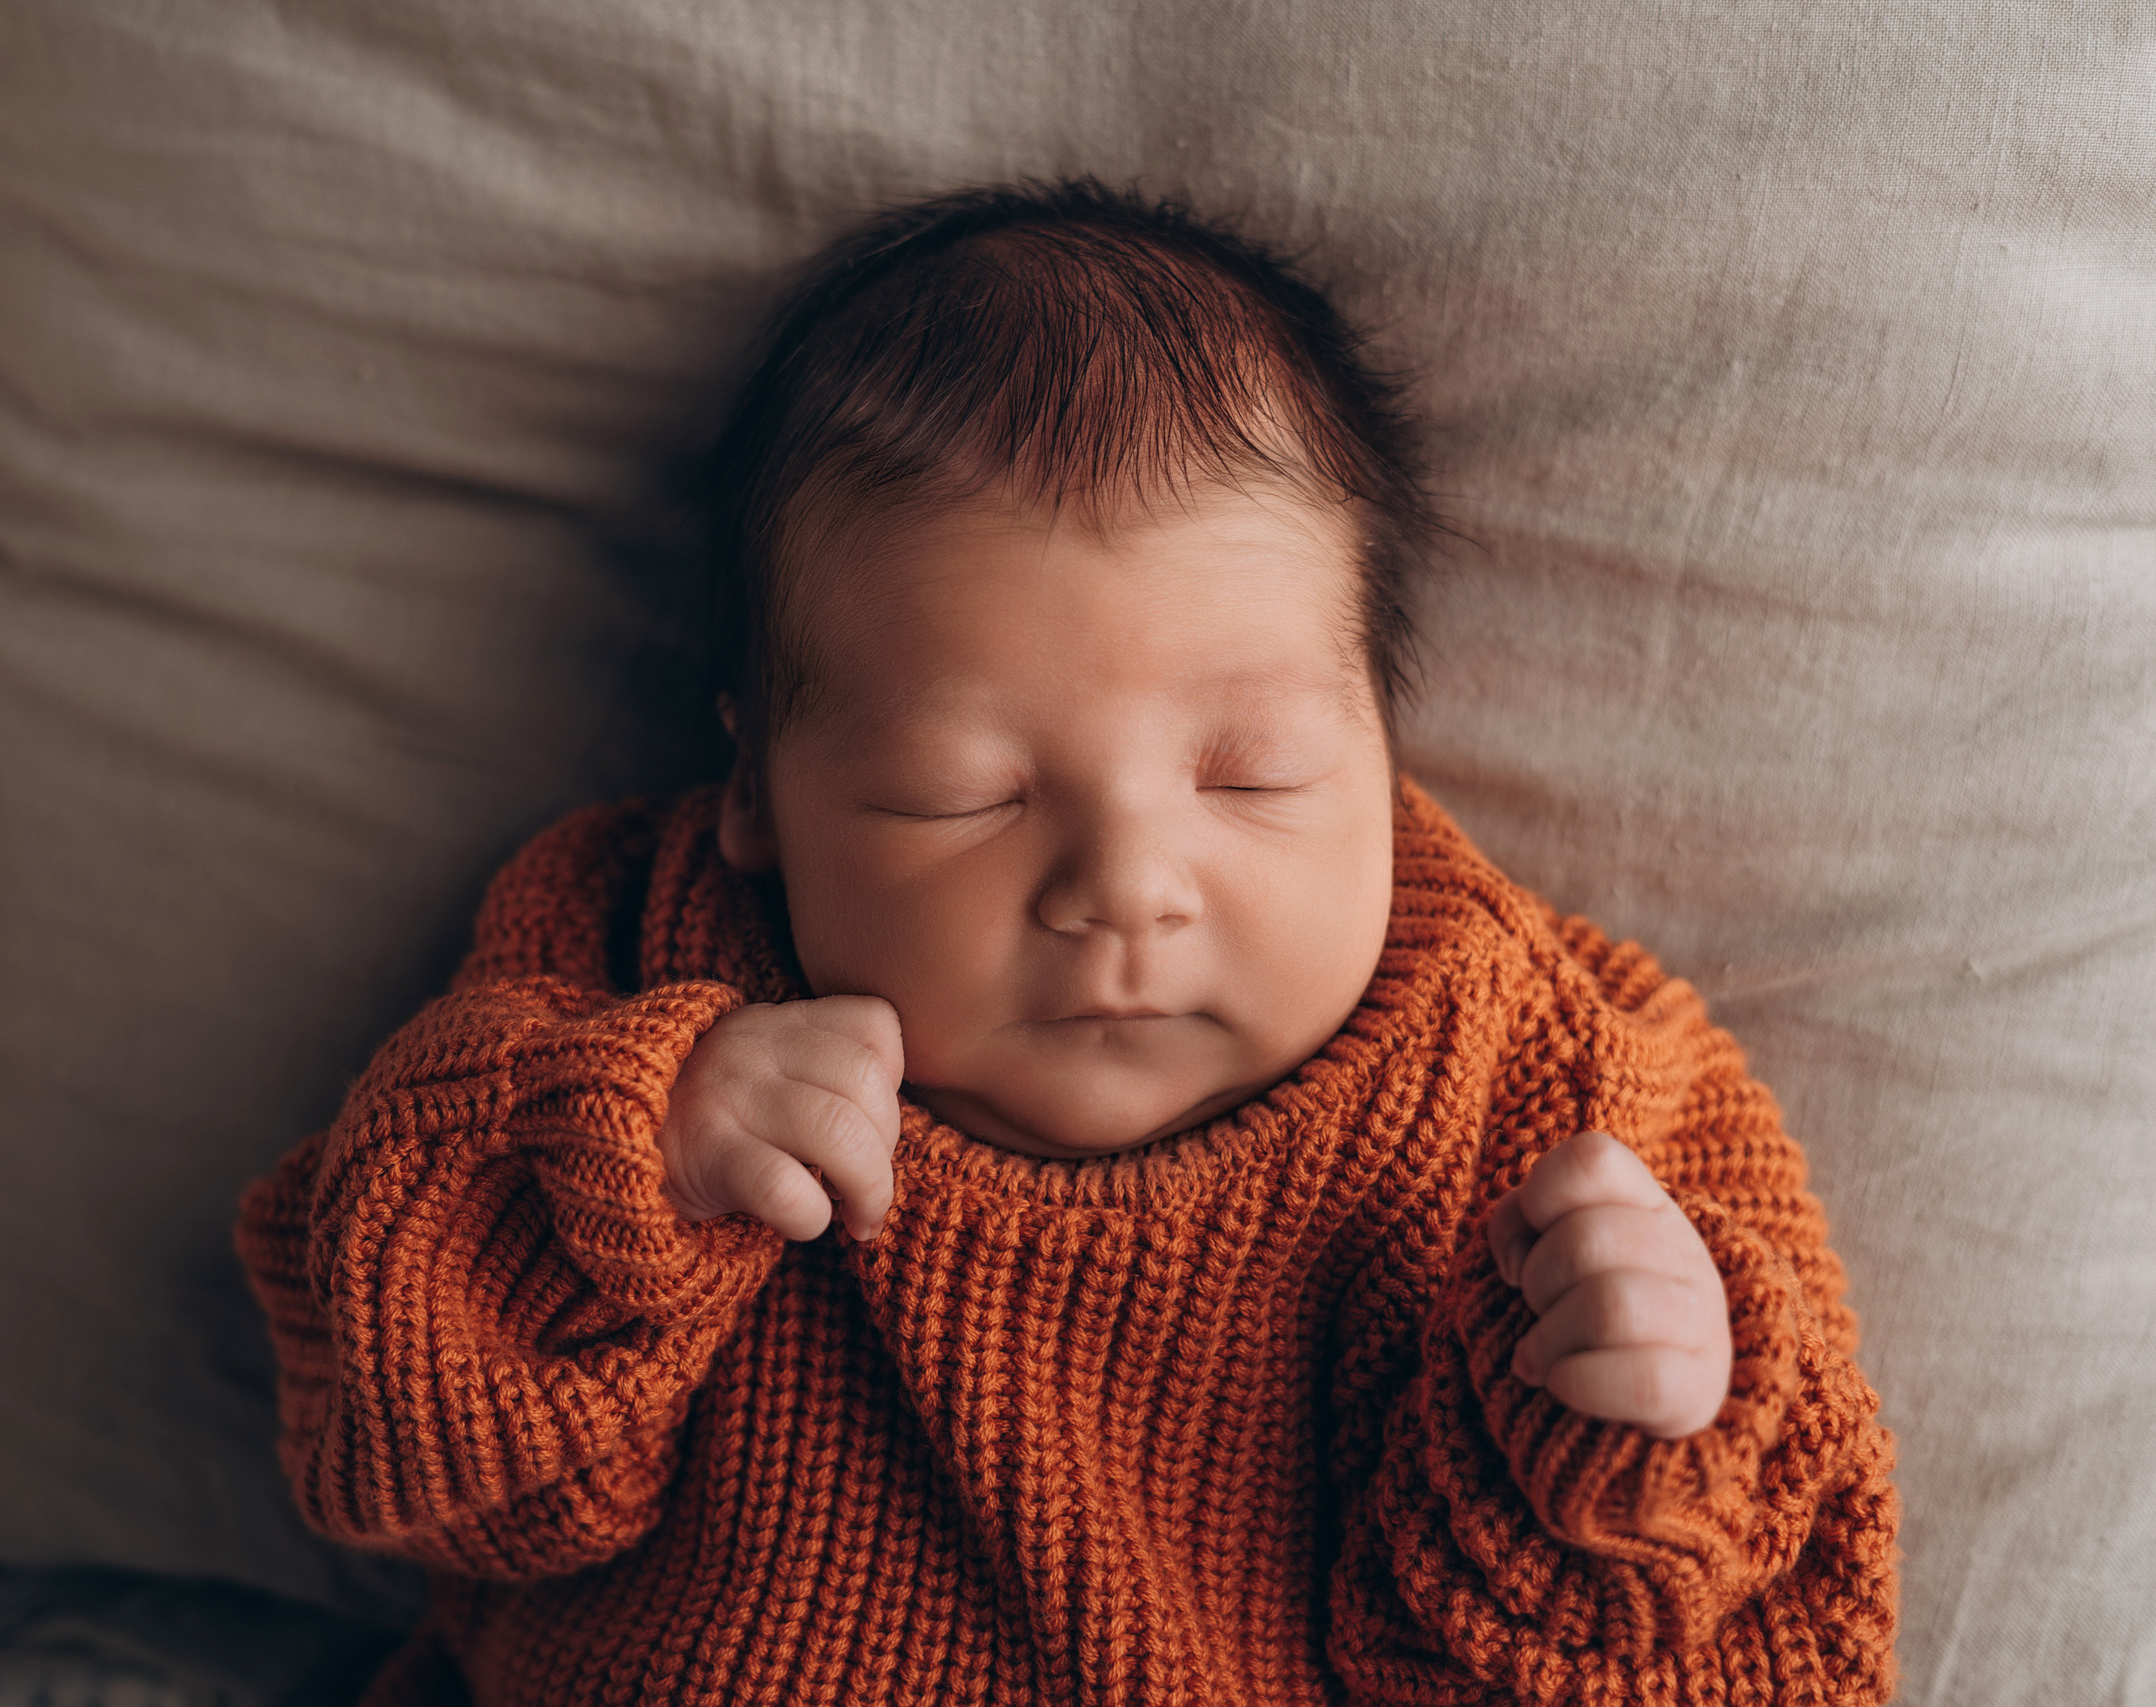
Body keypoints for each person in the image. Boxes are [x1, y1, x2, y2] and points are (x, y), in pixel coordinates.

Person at [235, 180, 1898, 1706]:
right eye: (963, 796)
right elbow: (404, 1460)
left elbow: (1768, 1635)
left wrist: (1630, 1428)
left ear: (1385, 758)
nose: (1124, 884)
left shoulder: (1541, 1076)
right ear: (755, 785)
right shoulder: (638, 962)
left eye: (1250, 776)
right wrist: (631, 1162)